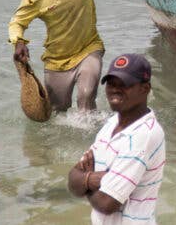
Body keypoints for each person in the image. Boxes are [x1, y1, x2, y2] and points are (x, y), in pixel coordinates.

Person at [8, 0, 176, 113]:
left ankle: (93, 138)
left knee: (86, 94)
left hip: (89, 48)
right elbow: (17, 22)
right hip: (56, 61)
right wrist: (19, 42)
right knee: (57, 112)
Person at [68, 53, 165, 224]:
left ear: (145, 88)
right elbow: (72, 180)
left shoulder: (143, 135)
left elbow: (107, 203)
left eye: (124, 84)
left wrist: (86, 182)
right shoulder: (112, 123)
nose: (114, 89)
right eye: (111, 84)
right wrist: (92, 179)